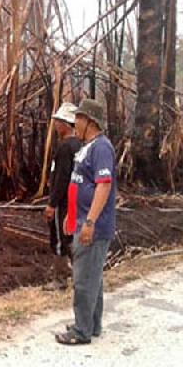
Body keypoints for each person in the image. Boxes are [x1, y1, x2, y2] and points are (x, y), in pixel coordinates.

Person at [56, 99, 116, 345]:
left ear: (89, 121)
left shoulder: (102, 148)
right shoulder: (87, 147)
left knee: (83, 279)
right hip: (81, 219)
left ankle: (81, 331)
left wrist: (89, 222)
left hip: (93, 225)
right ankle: (91, 324)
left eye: (78, 119)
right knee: (93, 277)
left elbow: (103, 185)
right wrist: (72, 213)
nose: (75, 123)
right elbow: (80, 182)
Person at [45, 103, 81, 258]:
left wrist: (52, 204)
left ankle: (63, 275)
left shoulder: (65, 147)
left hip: (64, 202)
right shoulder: (81, 144)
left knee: (61, 237)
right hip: (78, 201)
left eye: (59, 122)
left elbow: (62, 178)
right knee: (73, 234)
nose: (56, 125)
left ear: (66, 124)